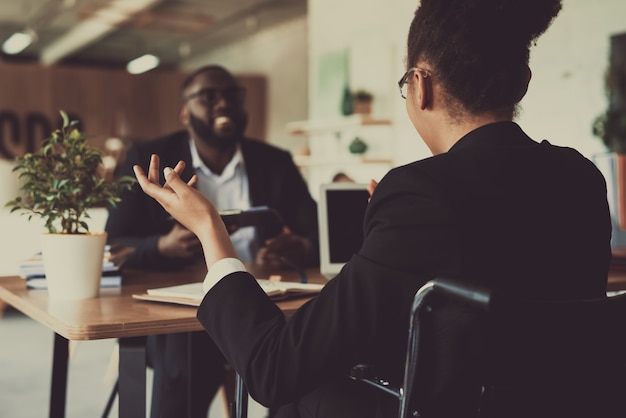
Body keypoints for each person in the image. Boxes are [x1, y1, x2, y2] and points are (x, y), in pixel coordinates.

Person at [132, 0, 612, 416]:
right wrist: (392, 238)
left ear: (420, 86)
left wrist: (209, 229)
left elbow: (273, 367)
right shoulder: (582, 178)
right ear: (523, 83)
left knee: (302, 384)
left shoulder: (421, 193)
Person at [105, 65, 319, 417]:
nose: (224, 103)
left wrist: (302, 246)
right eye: (209, 96)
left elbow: (315, 233)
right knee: (187, 353)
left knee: (308, 349)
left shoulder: (275, 161)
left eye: (232, 96)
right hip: (187, 313)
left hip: (266, 301)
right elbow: (114, 242)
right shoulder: (147, 158)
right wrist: (161, 247)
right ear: (184, 112)